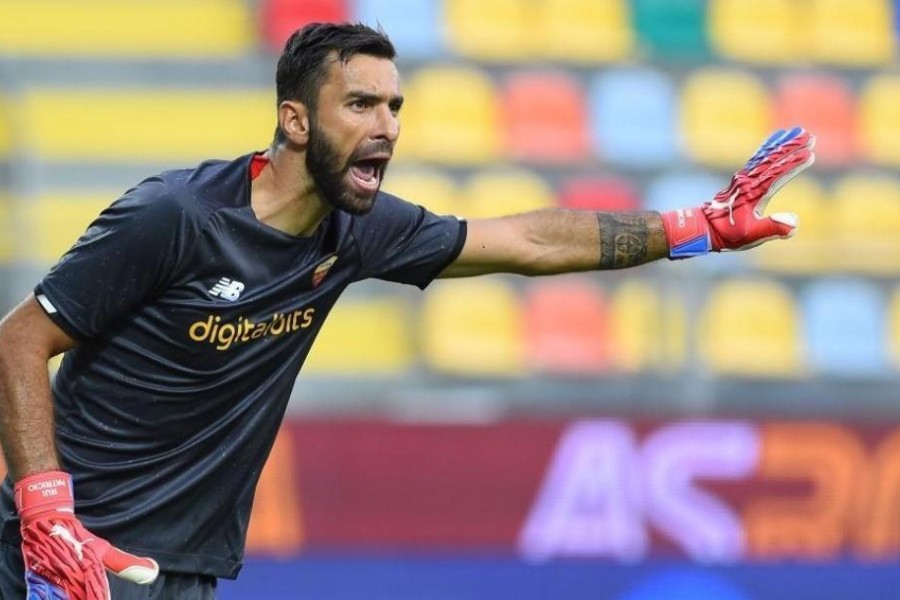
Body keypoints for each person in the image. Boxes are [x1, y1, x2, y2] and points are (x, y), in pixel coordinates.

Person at [0, 22, 814, 600]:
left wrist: (693, 228)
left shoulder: (357, 229)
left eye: (394, 108)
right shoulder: (174, 217)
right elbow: (19, 339)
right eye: (360, 105)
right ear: (295, 120)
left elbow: (527, 240)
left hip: (183, 564)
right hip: (59, 552)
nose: (386, 127)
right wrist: (45, 511)